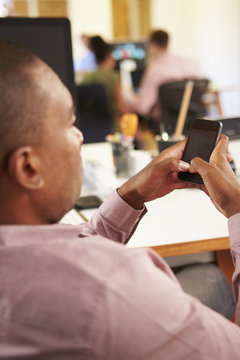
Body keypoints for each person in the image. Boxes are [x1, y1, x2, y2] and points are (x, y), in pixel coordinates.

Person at [1, 39, 240, 359]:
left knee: (205, 276)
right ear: (29, 167)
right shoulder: (109, 288)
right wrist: (238, 209)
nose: (80, 136)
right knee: (211, 277)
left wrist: (131, 194)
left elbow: (73, 252)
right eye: (71, 123)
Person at [124, 29, 200, 118]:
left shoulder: (154, 71)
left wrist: (127, 95)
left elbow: (143, 107)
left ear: (153, 45)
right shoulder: (190, 64)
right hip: (191, 121)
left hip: (163, 125)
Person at [81, 35, 127, 121]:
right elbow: (122, 108)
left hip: (90, 127)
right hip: (112, 126)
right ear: (108, 55)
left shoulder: (86, 78)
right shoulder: (113, 77)